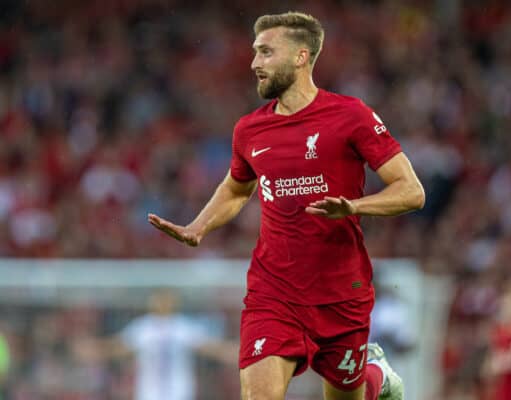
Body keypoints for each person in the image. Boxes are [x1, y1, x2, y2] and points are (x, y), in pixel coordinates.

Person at [148, 11, 425, 400]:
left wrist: (354, 206)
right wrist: (199, 226)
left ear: (300, 56)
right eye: (254, 53)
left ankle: (375, 377)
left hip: (341, 293)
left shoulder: (350, 116)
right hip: (273, 292)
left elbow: (411, 191)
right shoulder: (249, 129)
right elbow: (236, 187)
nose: (254, 63)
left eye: (265, 52)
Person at [84, 289, 237, 400]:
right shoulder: (144, 327)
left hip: (179, 392)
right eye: (159, 299)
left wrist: (230, 352)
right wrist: (96, 350)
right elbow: (118, 347)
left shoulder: (182, 326)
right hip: (149, 393)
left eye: (166, 299)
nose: (162, 303)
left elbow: (209, 347)